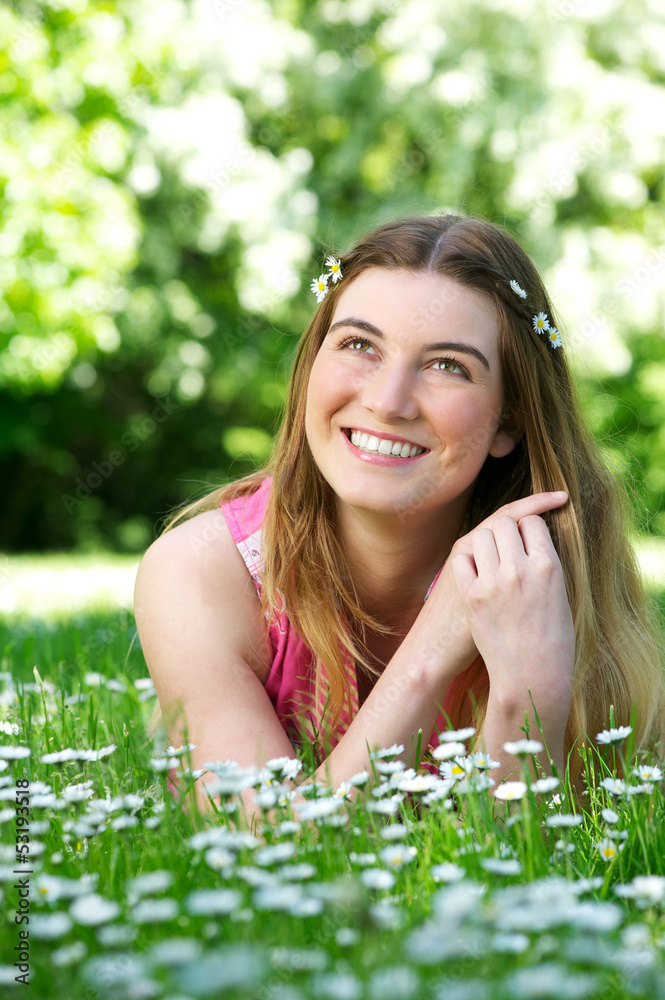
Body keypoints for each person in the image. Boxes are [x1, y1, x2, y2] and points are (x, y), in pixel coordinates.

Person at [134, 214, 665, 821]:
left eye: (448, 365)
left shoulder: (540, 580)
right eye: (360, 344)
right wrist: (435, 645)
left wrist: (526, 698)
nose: (387, 401)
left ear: (510, 420)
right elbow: (266, 851)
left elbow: (516, 877)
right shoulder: (201, 572)